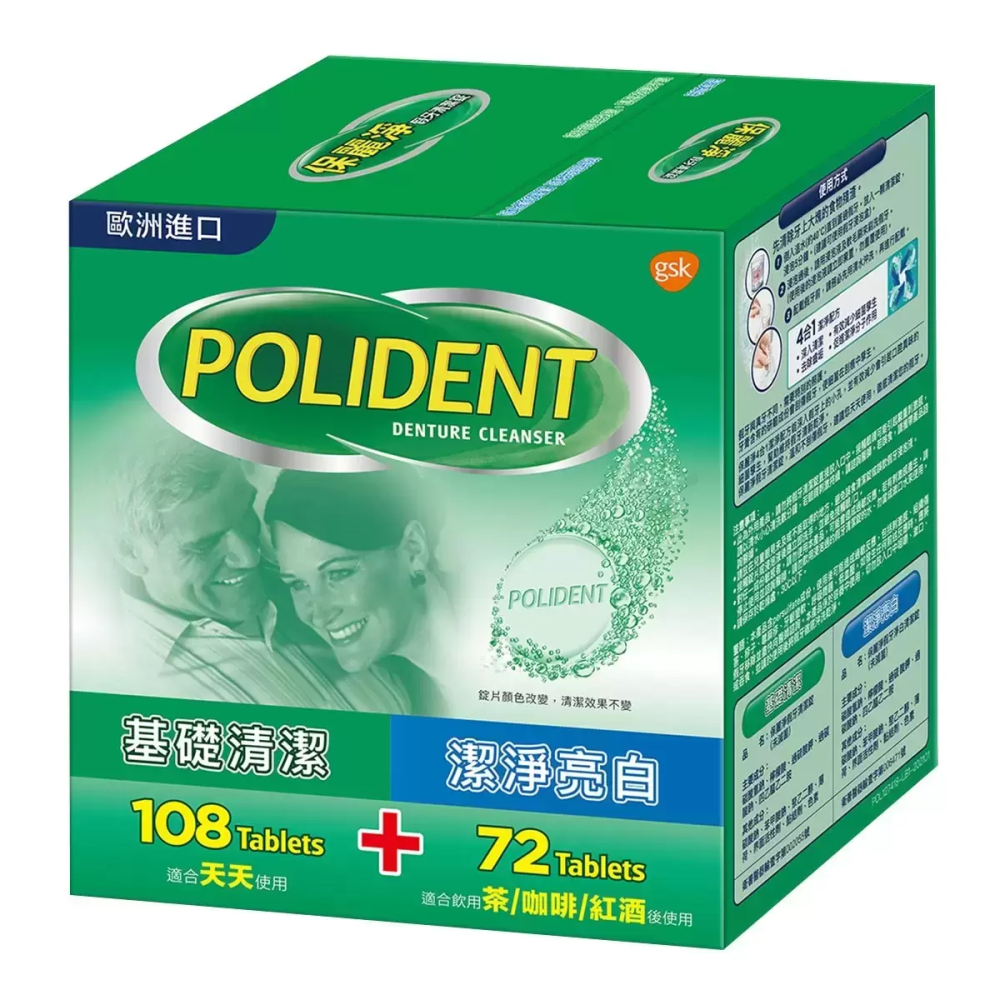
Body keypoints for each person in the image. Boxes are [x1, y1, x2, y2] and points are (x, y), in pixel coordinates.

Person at [109, 432, 412, 713]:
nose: (249, 557)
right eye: (205, 545)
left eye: (245, 512)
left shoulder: (304, 574)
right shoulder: (125, 690)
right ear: (129, 552)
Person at [265, 468, 450, 714]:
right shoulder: (398, 695)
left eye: (339, 573)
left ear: (413, 550)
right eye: (298, 584)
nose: (319, 614)